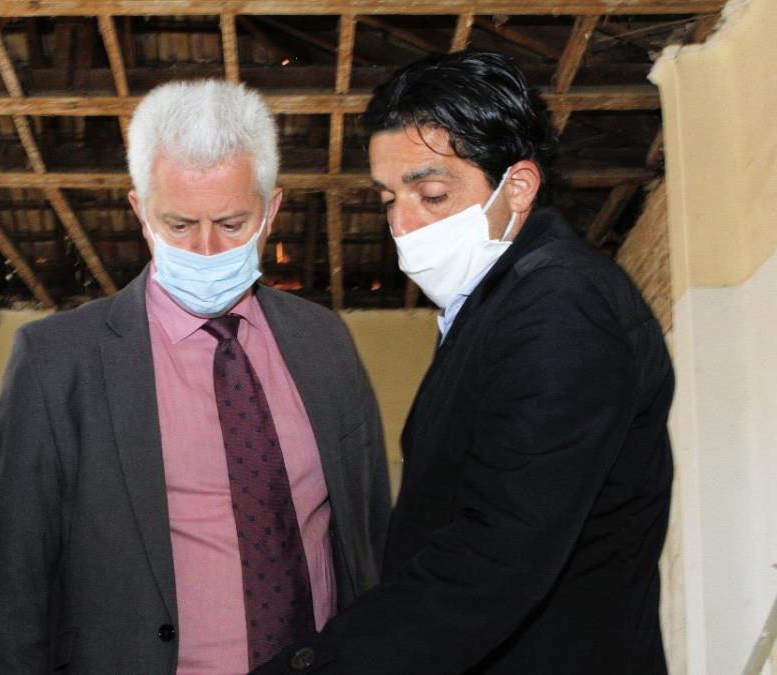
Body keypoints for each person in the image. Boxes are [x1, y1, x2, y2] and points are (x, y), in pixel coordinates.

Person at [255, 50, 674, 675]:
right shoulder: (496, 307)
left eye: (430, 194)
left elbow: (498, 552)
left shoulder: (559, 306)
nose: (402, 222)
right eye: (389, 197)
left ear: (519, 187)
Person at [0, 79, 390, 674]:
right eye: (179, 225)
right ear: (140, 211)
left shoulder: (324, 342)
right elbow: (10, 588)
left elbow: (369, 540)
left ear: (271, 211)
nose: (207, 249)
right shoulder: (56, 362)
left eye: (232, 223)